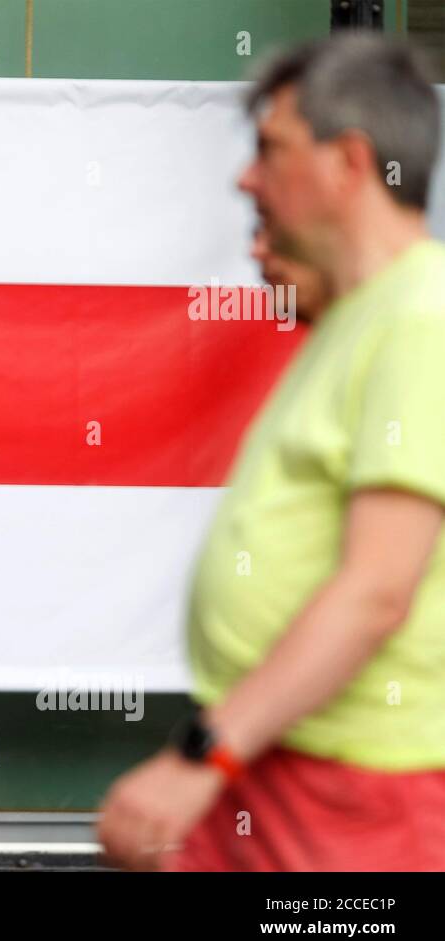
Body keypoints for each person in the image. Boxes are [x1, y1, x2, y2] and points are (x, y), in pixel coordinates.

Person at [98, 32, 445, 871]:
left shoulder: (418, 319)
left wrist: (201, 757)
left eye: (271, 150)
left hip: (351, 799)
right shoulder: (358, 318)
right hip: (279, 775)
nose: (246, 178)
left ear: (349, 162)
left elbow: (377, 591)